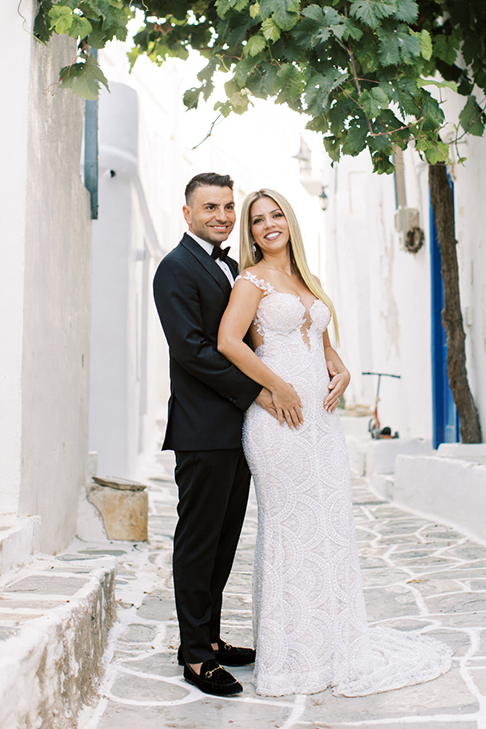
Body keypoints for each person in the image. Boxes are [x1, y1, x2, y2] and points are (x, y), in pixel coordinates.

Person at [218, 189, 452, 696]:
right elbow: (228, 342)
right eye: (258, 220)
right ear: (251, 232)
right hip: (277, 423)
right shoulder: (250, 282)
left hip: (322, 425)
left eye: (276, 214)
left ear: (289, 219)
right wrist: (274, 387)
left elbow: (322, 345)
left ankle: (332, 645)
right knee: (289, 529)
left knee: (329, 527)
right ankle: (291, 657)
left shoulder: (310, 280)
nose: (268, 224)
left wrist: (340, 368)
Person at [153, 173, 299, 698]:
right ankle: (194, 656)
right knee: (197, 541)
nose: (220, 215)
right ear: (187, 213)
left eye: (227, 207)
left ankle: (209, 639)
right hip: (202, 428)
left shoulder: (232, 267)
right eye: (209, 206)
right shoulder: (173, 269)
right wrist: (258, 392)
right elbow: (192, 349)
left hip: (239, 429)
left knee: (223, 541)